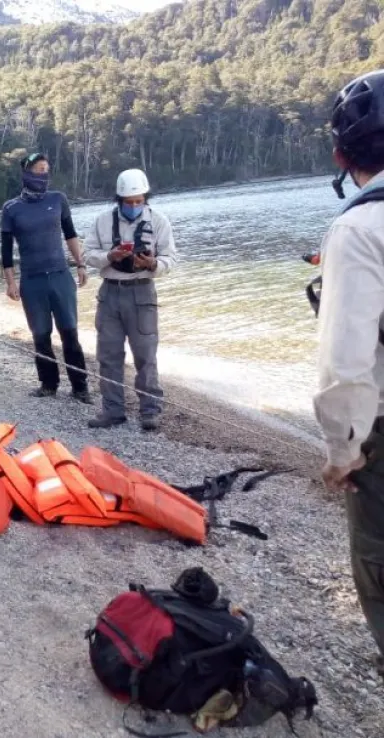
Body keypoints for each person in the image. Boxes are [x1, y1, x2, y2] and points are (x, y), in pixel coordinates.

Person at [312, 68, 384, 677]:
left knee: (379, 563)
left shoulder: (359, 228)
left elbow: (346, 365)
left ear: (340, 154)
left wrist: (343, 451)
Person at [84, 168, 178, 431]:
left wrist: (153, 263)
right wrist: (109, 257)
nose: (134, 206)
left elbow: (171, 259)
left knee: (145, 354)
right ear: (119, 200)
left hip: (142, 291)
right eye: (129, 202)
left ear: (145, 199)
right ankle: (113, 410)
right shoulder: (102, 221)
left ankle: (150, 411)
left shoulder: (159, 221)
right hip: (110, 291)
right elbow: (87, 253)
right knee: (108, 354)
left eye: (139, 202)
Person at [1, 153, 91, 403]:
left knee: (70, 332)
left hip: (61, 276)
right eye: (39, 169)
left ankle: (80, 387)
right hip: (32, 280)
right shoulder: (11, 208)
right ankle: (49, 384)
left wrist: (80, 264)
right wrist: (10, 281)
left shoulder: (58, 199)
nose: (44, 175)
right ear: (27, 172)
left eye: (46, 170)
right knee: (40, 335)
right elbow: (6, 250)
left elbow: (70, 234)